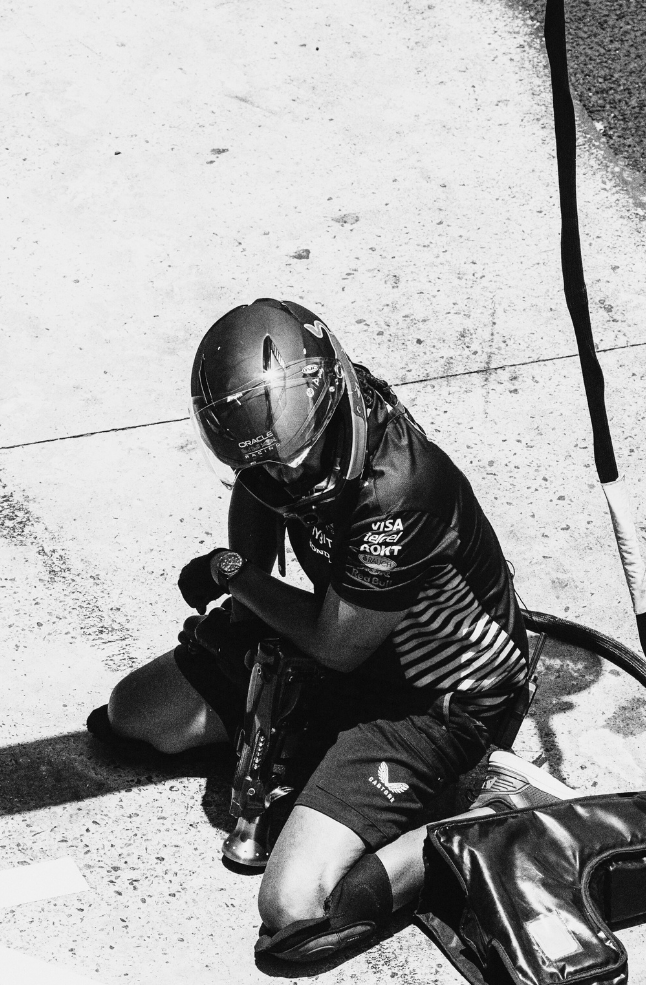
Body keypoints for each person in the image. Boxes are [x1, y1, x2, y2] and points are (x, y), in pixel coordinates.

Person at [90, 298, 567, 962]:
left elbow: (336, 645)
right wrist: (250, 589)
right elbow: (258, 488)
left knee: (295, 909)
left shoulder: (398, 493)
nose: (285, 481)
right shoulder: (300, 420)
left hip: (435, 703)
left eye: (295, 460)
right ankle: (317, 761)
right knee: (135, 716)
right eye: (263, 467)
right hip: (349, 651)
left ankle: (493, 819)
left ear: (334, 398)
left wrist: (235, 576)